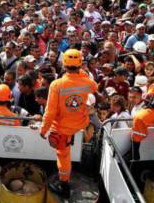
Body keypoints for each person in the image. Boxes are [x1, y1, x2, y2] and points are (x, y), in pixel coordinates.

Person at [40, 49, 98, 197]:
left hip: (63, 128)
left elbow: (50, 111)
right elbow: (94, 88)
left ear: (64, 64)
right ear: (80, 64)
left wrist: (43, 129)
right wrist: (82, 74)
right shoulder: (88, 82)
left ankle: (64, 184)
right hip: (81, 123)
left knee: (63, 155)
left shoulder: (56, 85)